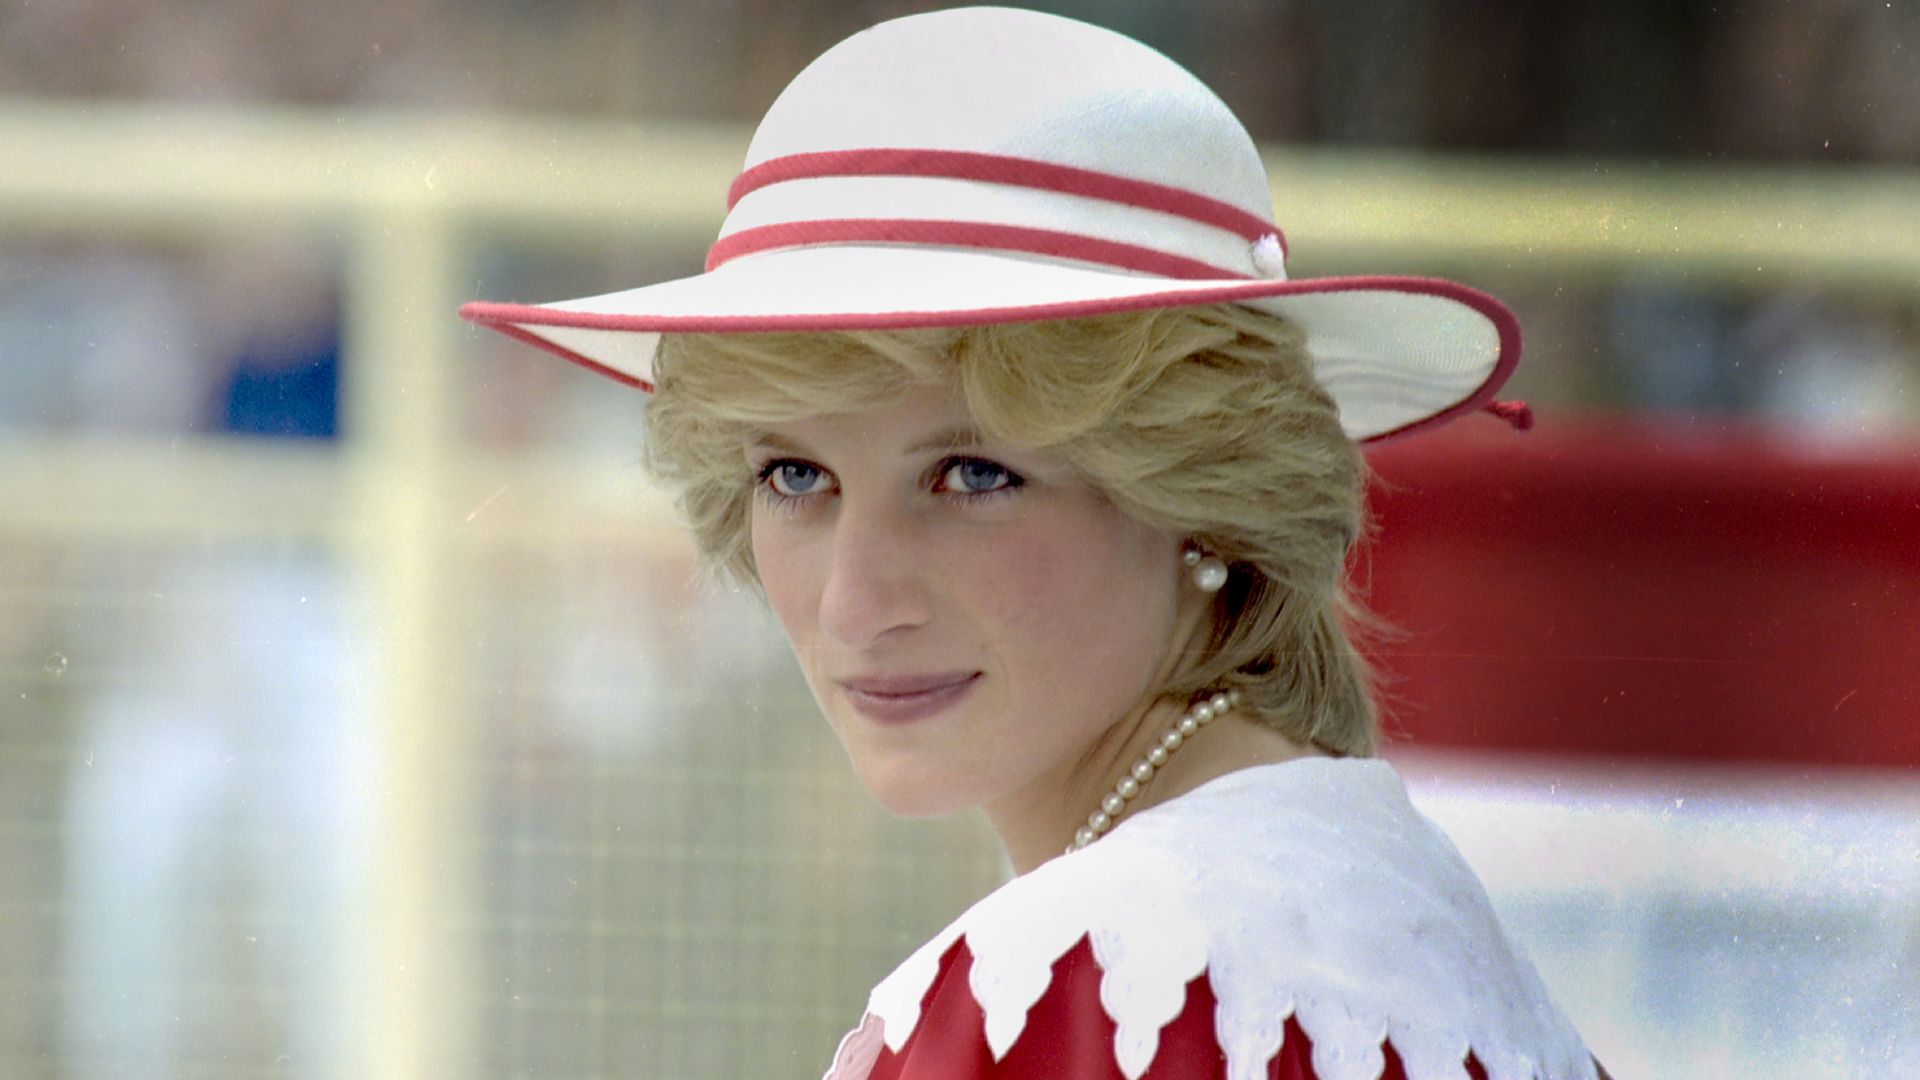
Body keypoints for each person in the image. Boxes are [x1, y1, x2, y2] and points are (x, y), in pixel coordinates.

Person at [463, 7, 1607, 1078]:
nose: (856, 601)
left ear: (1204, 492)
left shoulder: (1063, 997)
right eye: (795, 475)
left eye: (973, 476)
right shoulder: (1415, 920)